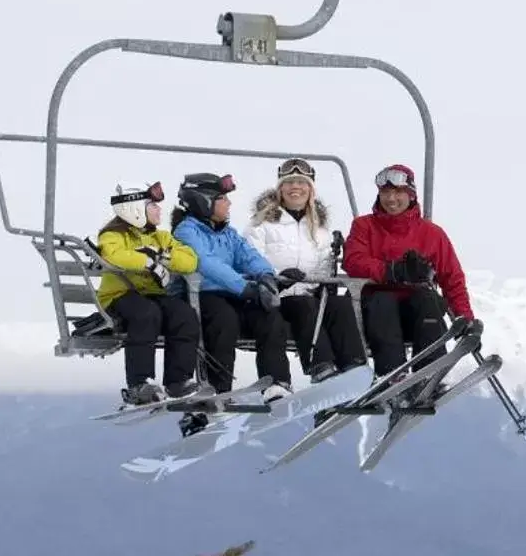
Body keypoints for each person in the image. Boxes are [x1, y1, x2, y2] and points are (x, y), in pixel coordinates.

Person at [341, 162, 482, 377]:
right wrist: (392, 271)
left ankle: (428, 373)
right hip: (376, 312)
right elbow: (353, 260)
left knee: (428, 299)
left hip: (416, 315)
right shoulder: (364, 226)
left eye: (398, 192)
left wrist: (465, 318)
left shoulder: (432, 234)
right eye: (385, 192)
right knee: (383, 301)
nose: (391, 199)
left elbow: (451, 277)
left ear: (411, 195)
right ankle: (392, 374)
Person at [169, 171, 293, 399]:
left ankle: (277, 382)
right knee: (223, 320)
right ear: (204, 201)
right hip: (200, 296)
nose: (229, 203)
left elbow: (247, 255)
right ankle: (218, 387)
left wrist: (266, 276)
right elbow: (206, 263)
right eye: (222, 198)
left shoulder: (227, 233)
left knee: (270, 315)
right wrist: (245, 288)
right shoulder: (186, 232)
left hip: (232, 294)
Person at [243, 157, 367, 383]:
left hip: (308, 294)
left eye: (302, 183)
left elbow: (322, 271)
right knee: (304, 304)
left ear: (310, 190)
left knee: (339, 304)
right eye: (289, 183)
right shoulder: (261, 225)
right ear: (280, 189)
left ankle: (354, 365)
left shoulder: (320, 231)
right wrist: (278, 278)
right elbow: (249, 258)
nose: (295, 188)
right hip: (276, 296)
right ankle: (321, 366)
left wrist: (329, 265)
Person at [94, 181, 202, 405]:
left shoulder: (160, 237)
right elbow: (114, 256)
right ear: (135, 209)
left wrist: (164, 257)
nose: (159, 210)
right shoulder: (112, 235)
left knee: (183, 314)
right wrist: (146, 259)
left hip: (151, 296)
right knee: (146, 314)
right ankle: (140, 383)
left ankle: (178, 380)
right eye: (152, 205)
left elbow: (190, 260)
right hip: (119, 297)